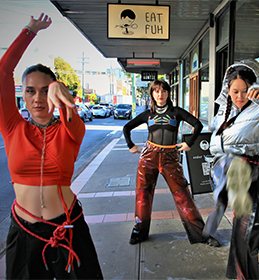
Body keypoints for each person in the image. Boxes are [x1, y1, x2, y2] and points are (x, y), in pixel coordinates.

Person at [0, 13, 103, 279]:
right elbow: (3, 71)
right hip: (25, 231)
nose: (38, 98)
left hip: (68, 227)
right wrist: (29, 31)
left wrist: (61, 91)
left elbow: (71, 115)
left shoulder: (70, 128)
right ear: (22, 94)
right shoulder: (12, 127)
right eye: (31, 91)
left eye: (45, 90)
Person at [202, 59, 259, 279]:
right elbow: (217, 143)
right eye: (234, 91)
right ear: (227, 90)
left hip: (249, 176)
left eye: (245, 91)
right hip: (229, 174)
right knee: (240, 236)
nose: (239, 97)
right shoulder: (224, 113)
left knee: (245, 239)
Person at [123, 79, 220, 247]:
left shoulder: (177, 112)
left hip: (170, 158)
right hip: (148, 157)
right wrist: (130, 145)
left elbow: (197, 125)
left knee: (183, 196)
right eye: (156, 91)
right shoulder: (148, 114)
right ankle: (139, 230)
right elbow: (127, 127)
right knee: (142, 196)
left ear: (168, 93)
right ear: (152, 94)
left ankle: (200, 234)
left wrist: (189, 144)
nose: (160, 94)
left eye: (163, 91)